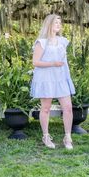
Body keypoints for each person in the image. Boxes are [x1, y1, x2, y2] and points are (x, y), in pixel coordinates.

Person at [30, 14, 75, 149]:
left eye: (59, 23)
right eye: (56, 22)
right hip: (46, 78)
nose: (58, 25)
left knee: (67, 107)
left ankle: (67, 137)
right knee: (46, 108)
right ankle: (46, 136)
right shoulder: (41, 42)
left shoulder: (63, 41)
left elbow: (63, 61)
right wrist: (53, 63)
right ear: (49, 24)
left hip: (60, 78)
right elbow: (35, 62)